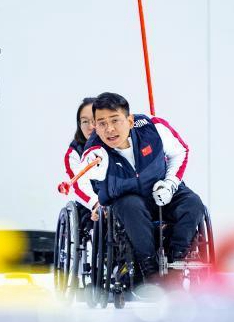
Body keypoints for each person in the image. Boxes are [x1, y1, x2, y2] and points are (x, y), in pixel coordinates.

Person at [80, 92, 204, 280]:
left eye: (115, 120)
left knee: (193, 203)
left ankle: (176, 261)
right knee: (131, 205)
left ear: (129, 121)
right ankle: (149, 270)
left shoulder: (154, 128)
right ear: (95, 126)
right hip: (128, 204)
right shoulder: (95, 151)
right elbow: (83, 178)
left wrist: (169, 184)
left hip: (161, 189)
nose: (109, 129)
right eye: (102, 123)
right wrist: (94, 201)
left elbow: (181, 152)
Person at [63, 97, 100, 226]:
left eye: (95, 121)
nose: (90, 127)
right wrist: (96, 203)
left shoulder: (118, 143)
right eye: (85, 121)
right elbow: (79, 185)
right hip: (91, 204)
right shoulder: (74, 153)